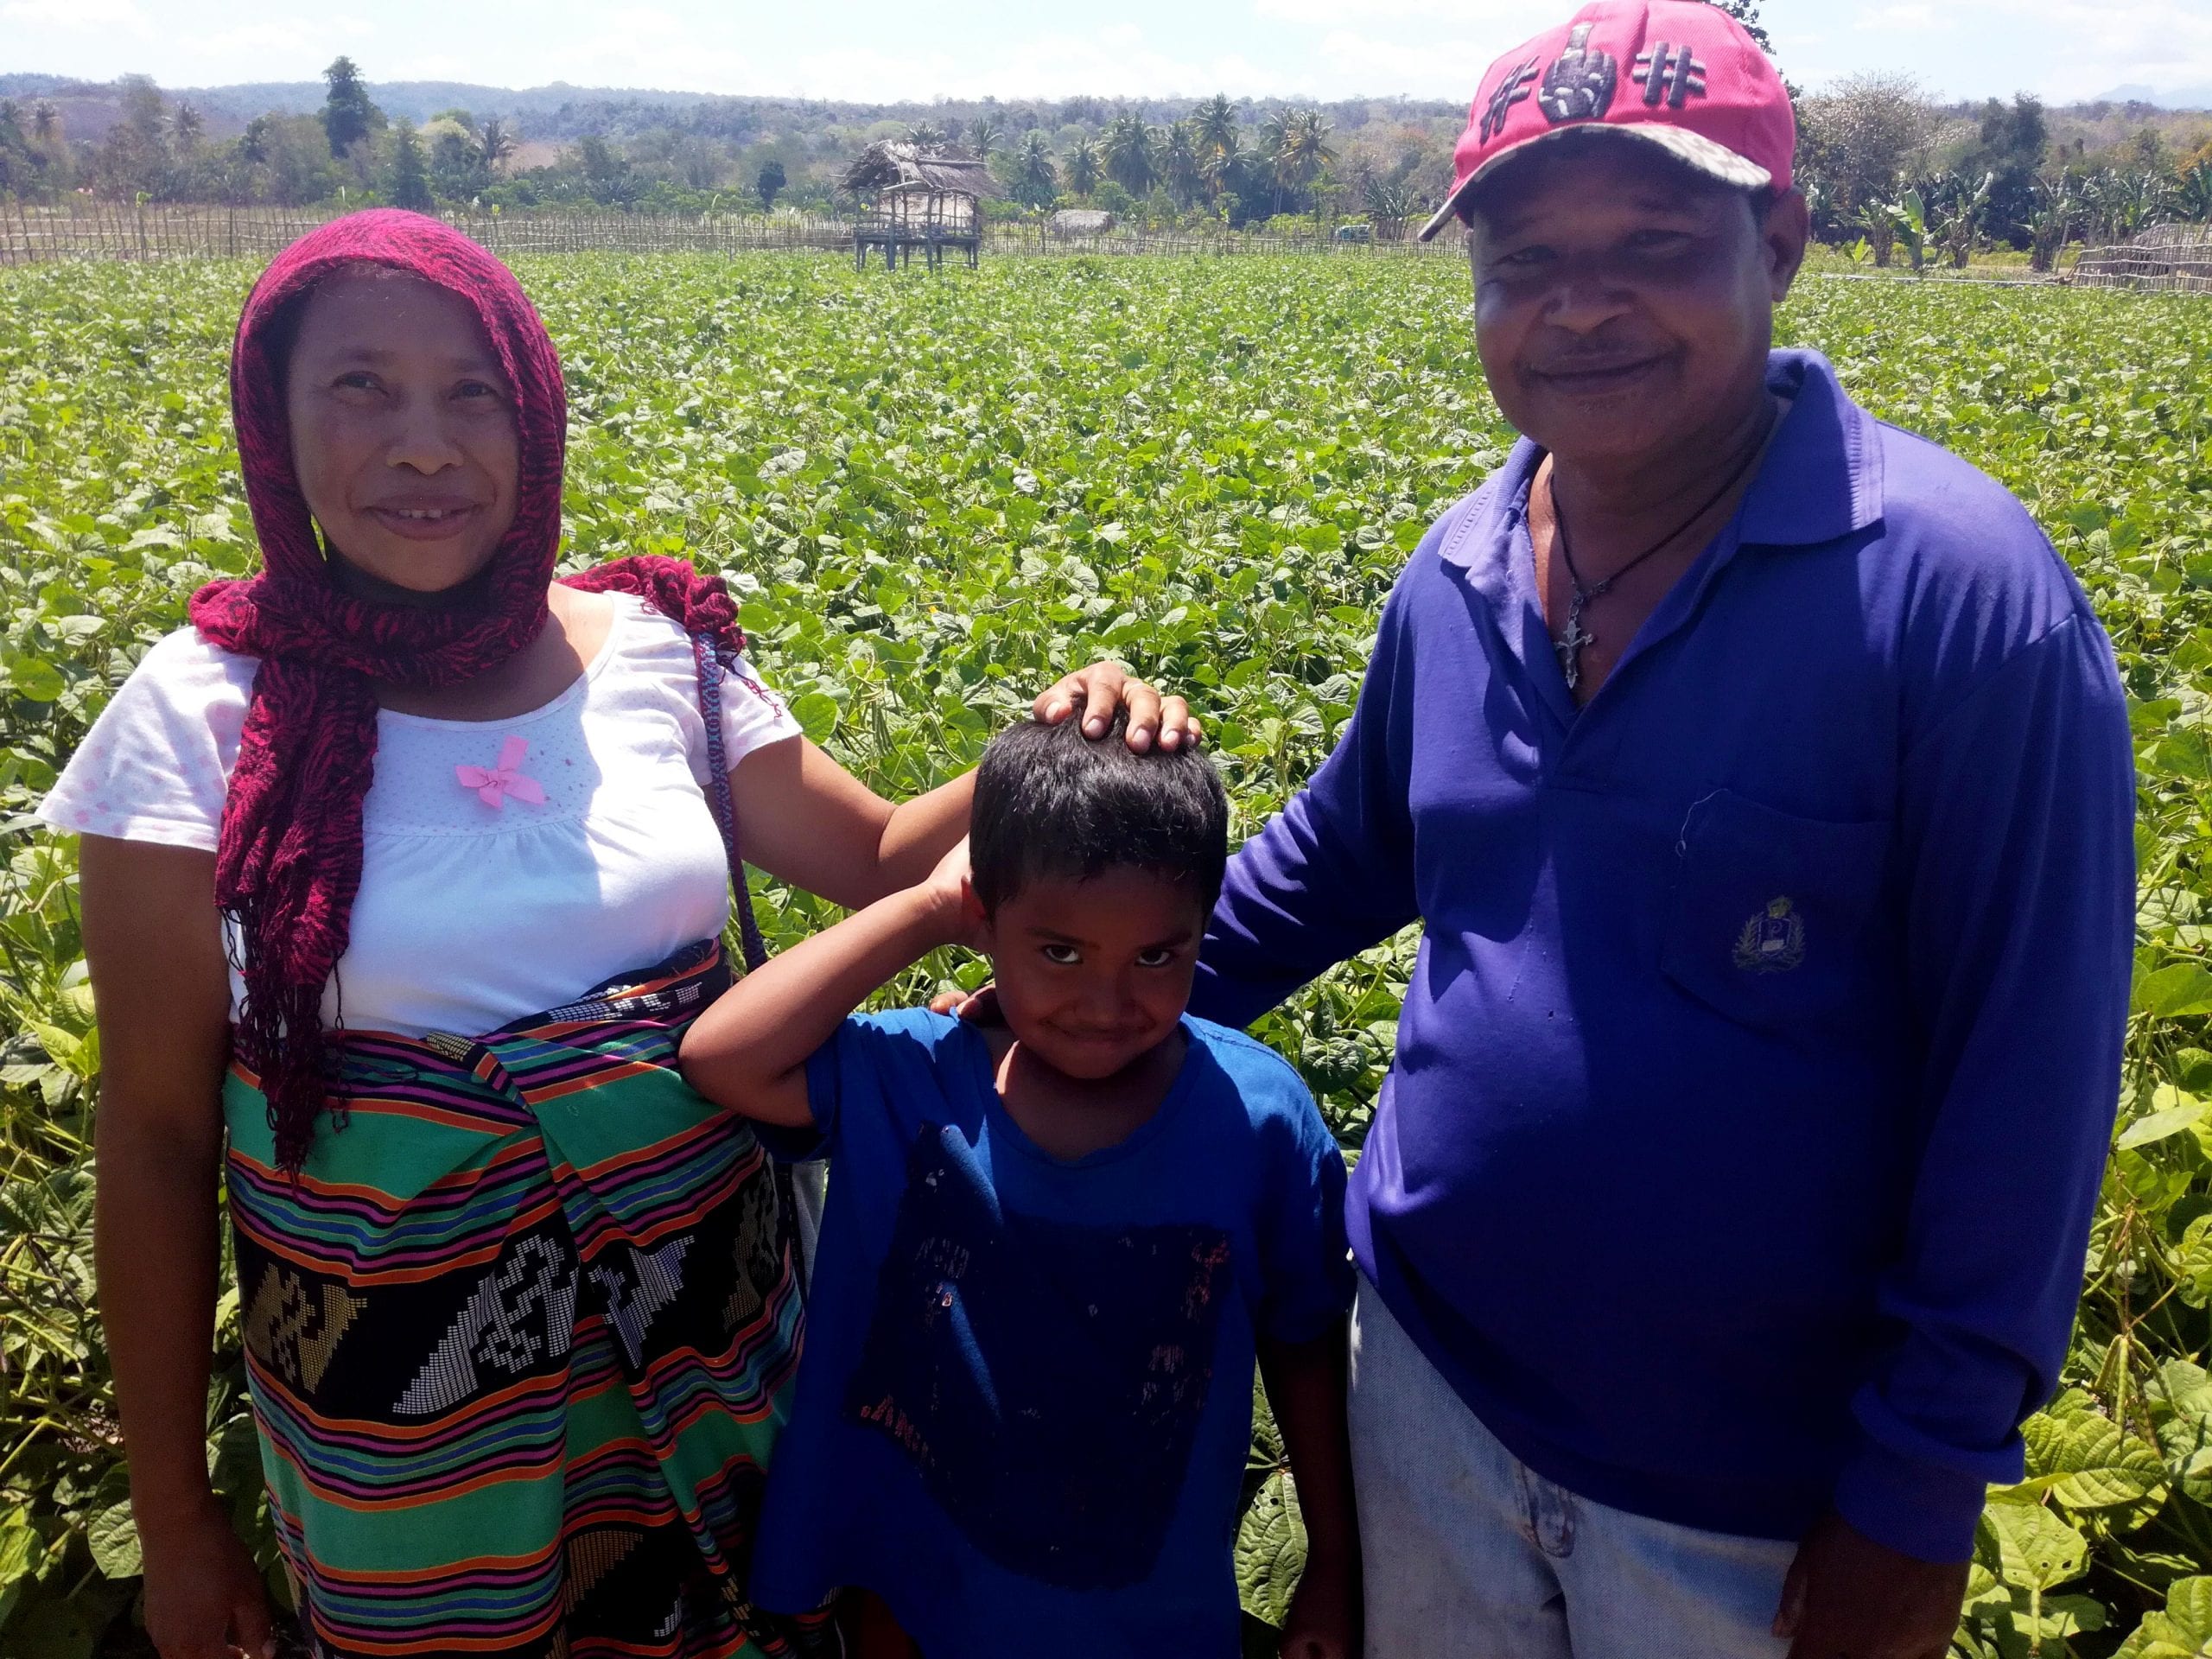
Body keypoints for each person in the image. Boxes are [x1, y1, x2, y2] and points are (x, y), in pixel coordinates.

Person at [43, 210, 1193, 1659]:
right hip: (399, 1417)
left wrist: (1062, 727)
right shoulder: (199, 713)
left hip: (715, 1342)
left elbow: (877, 852)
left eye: (473, 390)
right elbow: (152, 1135)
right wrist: (173, 1516)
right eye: (360, 387)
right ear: (272, 418)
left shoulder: (655, 651)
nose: (421, 442)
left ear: (533, 412)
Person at [1183, 5, 2137, 1657]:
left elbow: (2029, 1082)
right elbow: (1338, 860)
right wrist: (1049, 991)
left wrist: (1914, 1498)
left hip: (1751, 1503)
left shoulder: (1957, 601)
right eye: (1525, 256)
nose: (1580, 304)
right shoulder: (1460, 567)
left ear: (1780, 240)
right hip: (1423, 1396)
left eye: (1655, 243)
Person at [677, 712, 1360, 1659]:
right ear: (983, 917)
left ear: (1203, 929)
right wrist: (922, 906)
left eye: (1157, 956)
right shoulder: (917, 1080)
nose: (1106, 1005)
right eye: (1059, 952)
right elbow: (723, 1057)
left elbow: (1302, 1340)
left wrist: (1330, 1559)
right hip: (915, 1592)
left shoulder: (1257, 1116)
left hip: (1140, 1611)